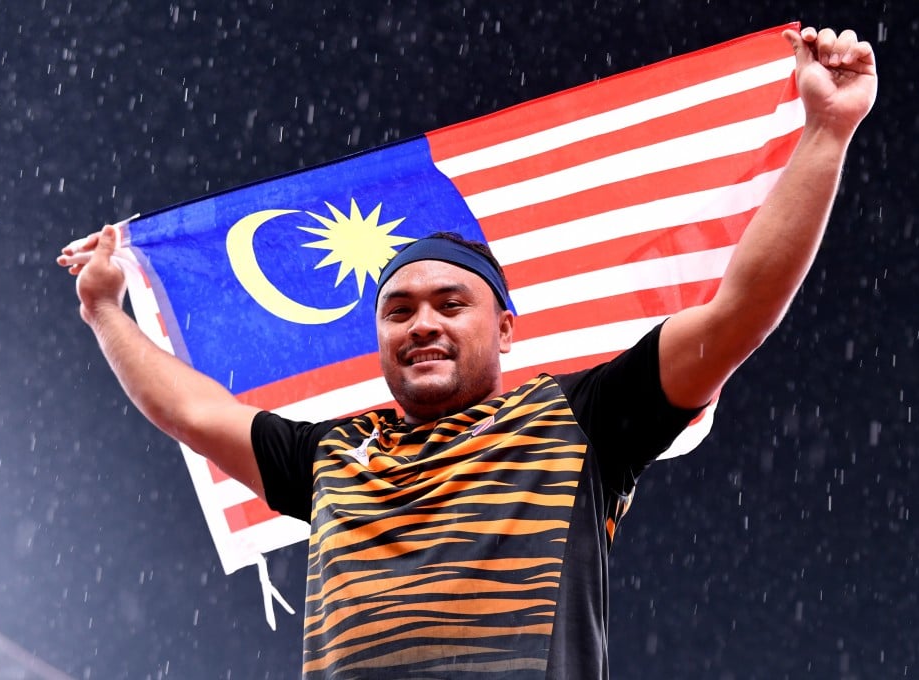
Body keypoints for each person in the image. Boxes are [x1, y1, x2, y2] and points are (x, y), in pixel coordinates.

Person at [58, 26, 877, 680]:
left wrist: (826, 134)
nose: (422, 324)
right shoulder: (336, 453)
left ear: (506, 327)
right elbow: (192, 411)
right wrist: (104, 312)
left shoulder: (578, 419)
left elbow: (737, 315)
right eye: (399, 309)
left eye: (453, 304)